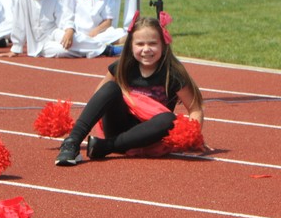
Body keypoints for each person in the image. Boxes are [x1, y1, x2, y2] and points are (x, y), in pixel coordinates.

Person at [55, 15, 204, 165]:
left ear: (163, 44)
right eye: (140, 44)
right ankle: (72, 142)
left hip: (149, 137)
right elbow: (100, 95)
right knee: (110, 88)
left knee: (169, 119)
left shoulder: (173, 73)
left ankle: (107, 146)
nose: (146, 49)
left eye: (153, 43)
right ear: (130, 45)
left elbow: (195, 108)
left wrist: (191, 136)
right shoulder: (122, 66)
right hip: (118, 126)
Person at [1, 0, 65, 58]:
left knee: (72, 40)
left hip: (54, 33)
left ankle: (92, 46)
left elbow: (62, 21)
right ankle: (90, 49)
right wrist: (16, 48)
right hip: (42, 43)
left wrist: (68, 32)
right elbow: (19, 24)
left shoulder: (54, 0)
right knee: (61, 50)